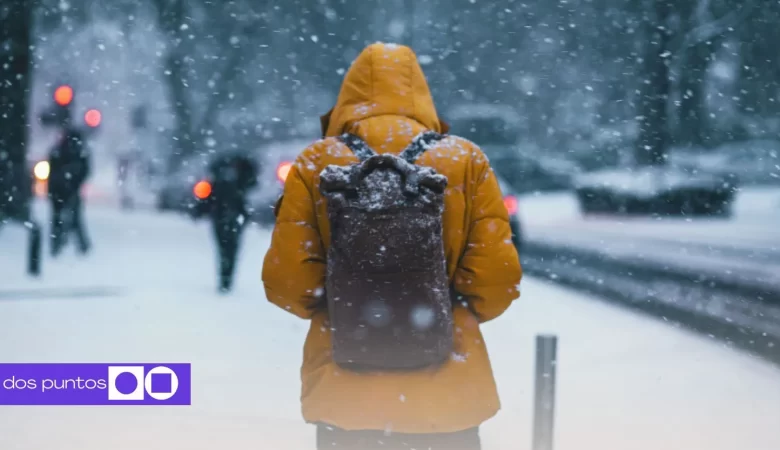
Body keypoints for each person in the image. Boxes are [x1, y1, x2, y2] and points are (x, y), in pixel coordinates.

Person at [262, 43, 522, 449]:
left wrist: (351, 305)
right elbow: (497, 281)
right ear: (421, 95)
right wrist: (438, 310)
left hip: (345, 402)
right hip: (447, 404)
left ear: (347, 97)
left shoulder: (317, 163)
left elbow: (287, 284)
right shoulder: (465, 160)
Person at [203, 151, 258, 293]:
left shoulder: (221, 175)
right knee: (230, 248)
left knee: (225, 248)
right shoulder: (240, 176)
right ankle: (226, 279)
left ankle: (225, 278)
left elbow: (208, 197)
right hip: (231, 216)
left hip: (223, 215)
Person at [47, 121, 91, 257]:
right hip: (68, 190)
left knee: (59, 218)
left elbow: (53, 168)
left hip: (59, 190)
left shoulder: (59, 150)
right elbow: (85, 171)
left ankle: (57, 245)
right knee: (75, 218)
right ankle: (81, 246)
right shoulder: (78, 152)